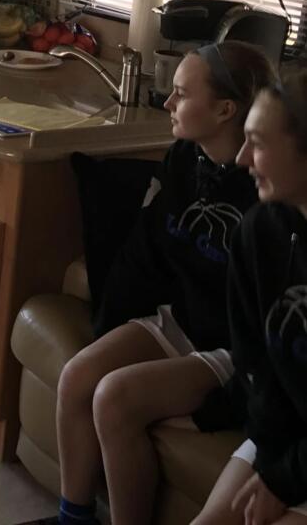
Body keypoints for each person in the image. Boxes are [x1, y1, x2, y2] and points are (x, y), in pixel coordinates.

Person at [22, 42, 276, 525]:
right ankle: (73, 518)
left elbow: (267, 332)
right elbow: (146, 253)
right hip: (183, 317)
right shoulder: (184, 158)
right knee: (79, 376)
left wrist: (217, 410)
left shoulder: (266, 193)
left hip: (228, 346)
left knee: (113, 396)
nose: (167, 103)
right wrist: (110, 326)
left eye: (181, 94)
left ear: (225, 109)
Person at [194, 67, 307, 525]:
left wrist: (285, 481)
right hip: (288, 438)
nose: (241, 158)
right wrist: (272, 465)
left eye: (257, 143)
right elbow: (256, 366)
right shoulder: (258, 233)